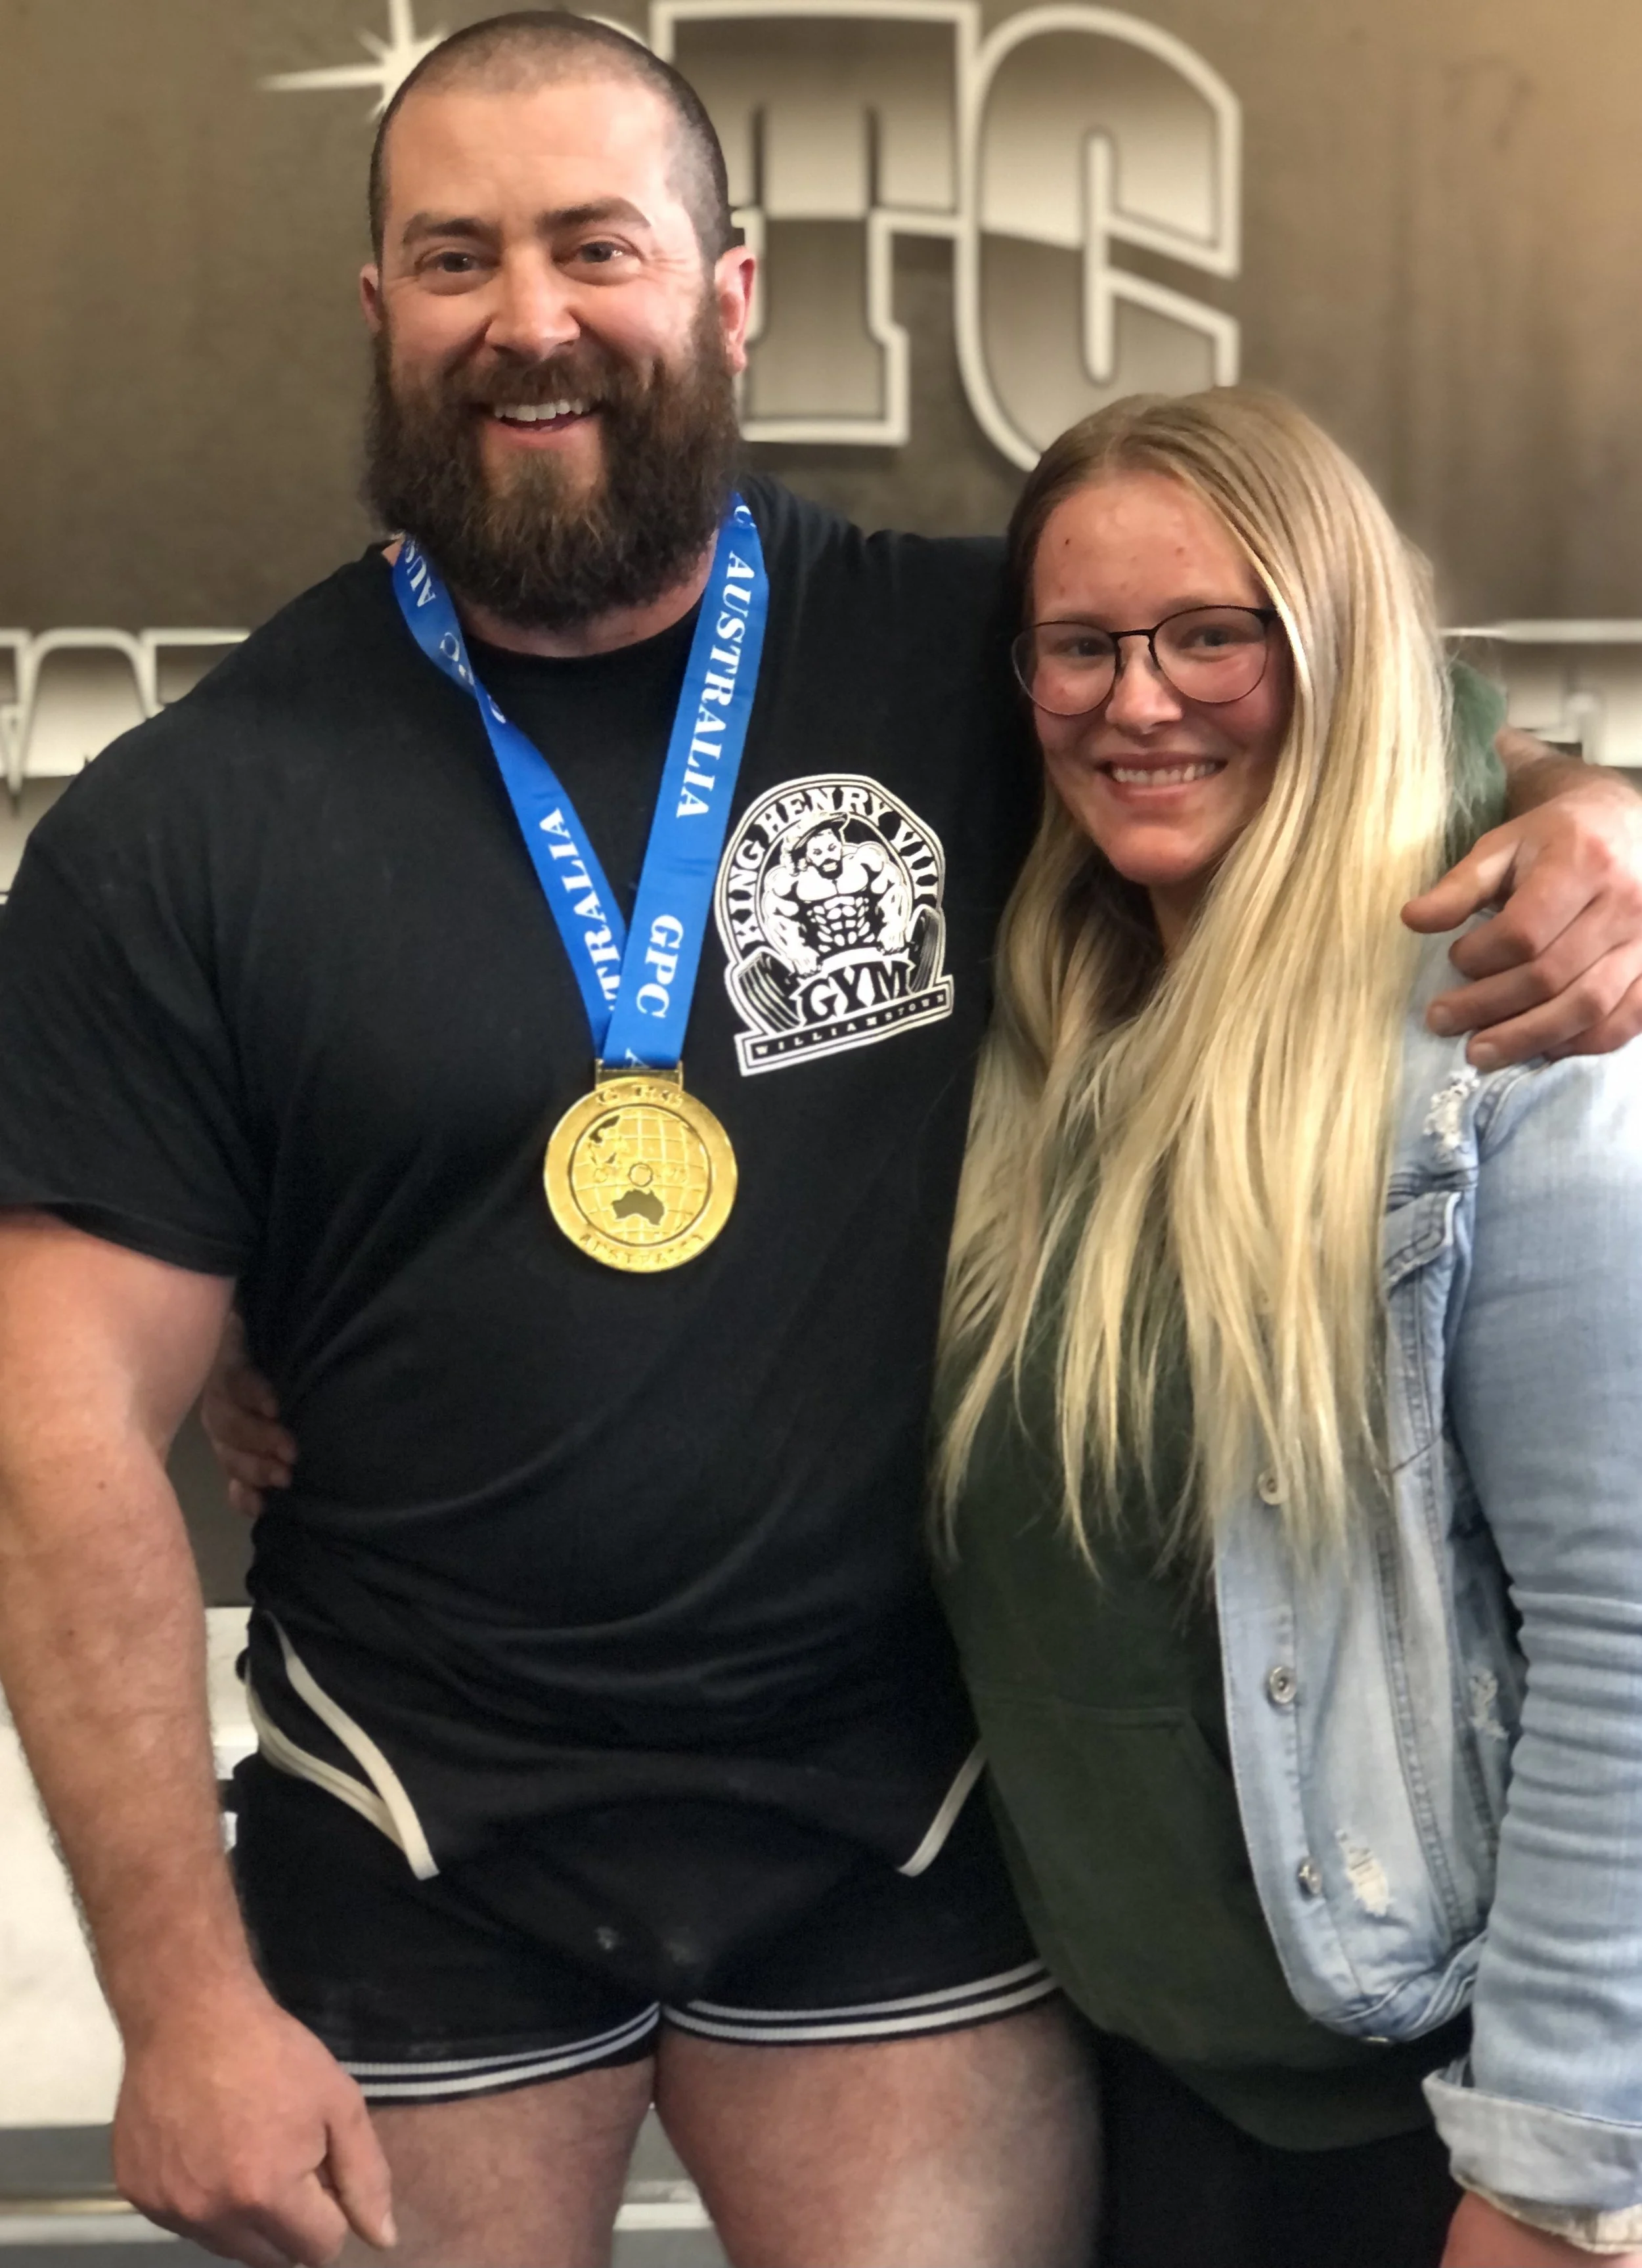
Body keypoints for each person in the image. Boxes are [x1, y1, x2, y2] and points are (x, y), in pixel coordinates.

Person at [0, 12, 1637, 2267]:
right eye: (455, 258)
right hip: (411, 1811)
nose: (533, 318)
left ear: (731, 288)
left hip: (906, 1812)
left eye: (598, 245)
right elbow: (57, 1417)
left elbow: (1389, 753)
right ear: (380, 312)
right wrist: (176, 1998)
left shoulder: (987, 661)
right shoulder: (184, 823)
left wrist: (1602, 820)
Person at [932, 386, 1642, 2268]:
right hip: (1149, 2102)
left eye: (1209, 635)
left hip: (1446, 2133)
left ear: (1330, 650)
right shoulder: (1036, 1039)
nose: (1135, 700)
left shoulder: (1499, 1031)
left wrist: (1553, 2172)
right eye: (1077, 645)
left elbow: (1624, 1627)